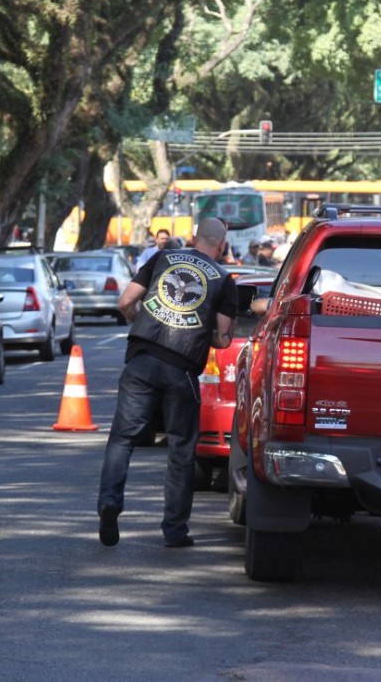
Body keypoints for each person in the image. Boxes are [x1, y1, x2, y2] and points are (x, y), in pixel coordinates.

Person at [97, 217, 237, 548]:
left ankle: (109, 503)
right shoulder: (222, 279)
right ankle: (175, 530)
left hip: (142, 360)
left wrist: (141, 319)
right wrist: (200, 331)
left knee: (122, 439)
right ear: (221, 244)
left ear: (194, 237)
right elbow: (223, 339)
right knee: (181, 449)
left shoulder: (162, 259)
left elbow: (124, 303)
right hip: (182, 369)